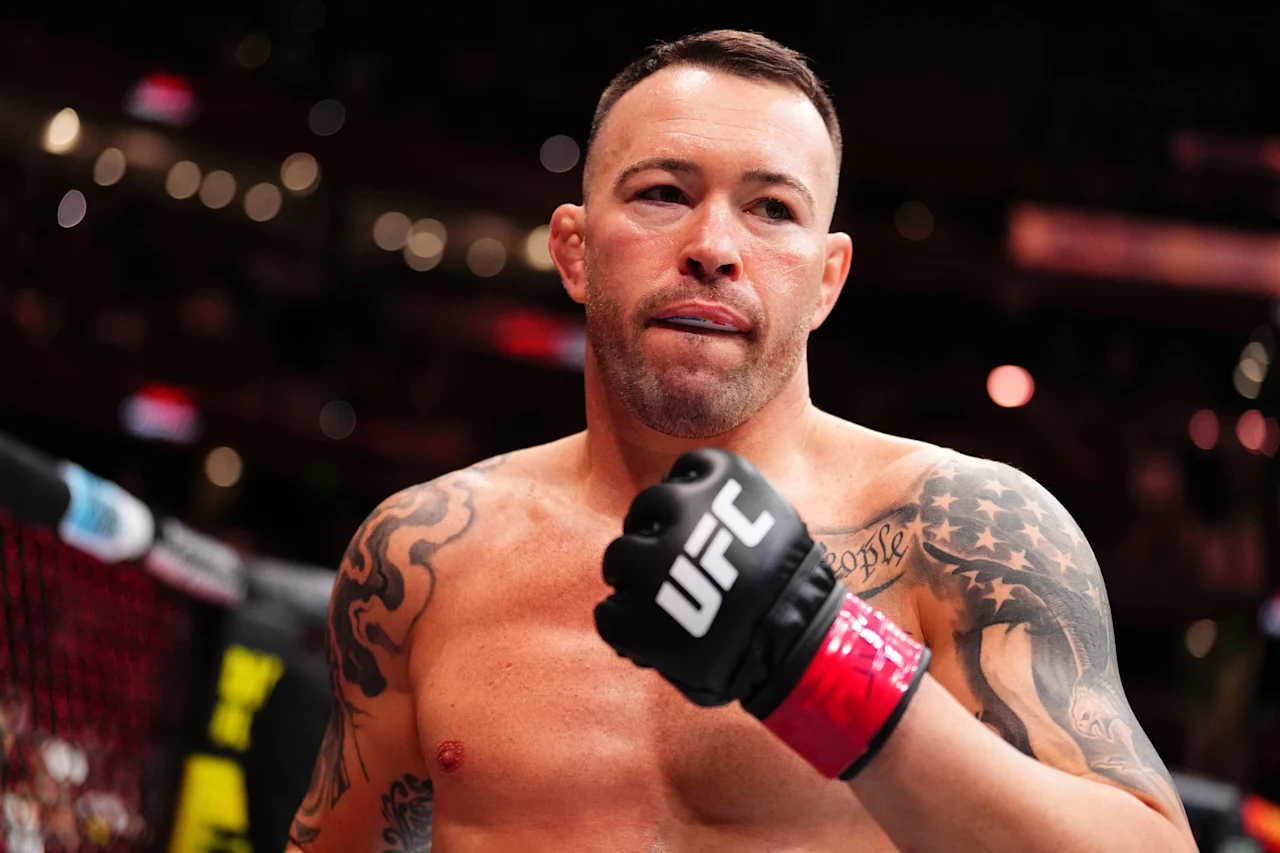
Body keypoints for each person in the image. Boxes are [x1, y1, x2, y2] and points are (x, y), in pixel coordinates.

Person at [286, 30, 1197, 853]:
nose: (713, 245)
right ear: (573, 251)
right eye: (662, 193)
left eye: (771, 209)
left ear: (828, 280)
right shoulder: (426, 554)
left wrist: (826, 663)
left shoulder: (956, 528)